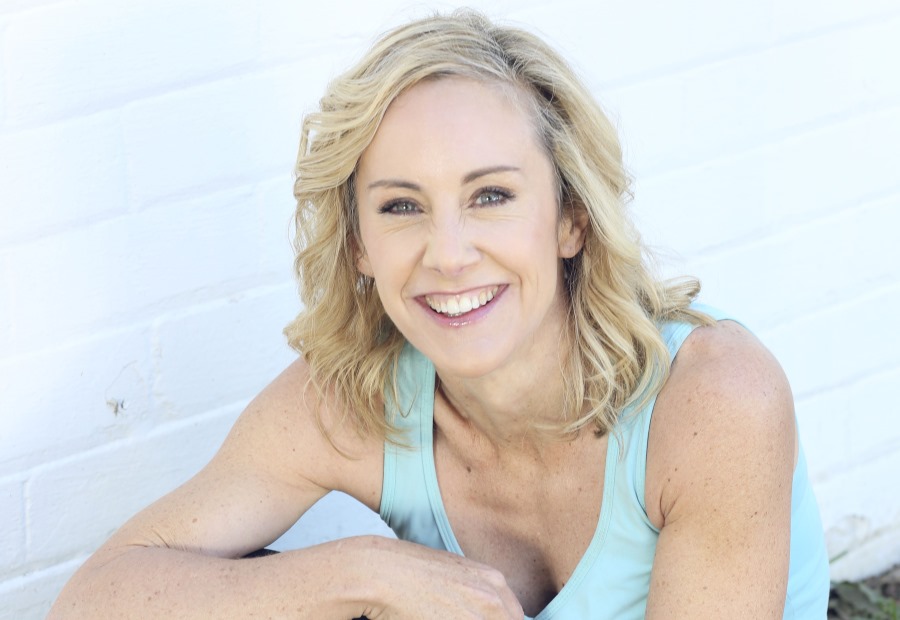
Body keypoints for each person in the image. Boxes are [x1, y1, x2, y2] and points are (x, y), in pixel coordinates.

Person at [50, 9, 830, 619]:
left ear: (571, 218)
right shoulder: (353, 398)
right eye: (401, 206)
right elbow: (92, 602)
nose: (449, 254)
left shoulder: (714, 399)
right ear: (360, 245)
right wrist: (360, 572)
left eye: (491, 196)